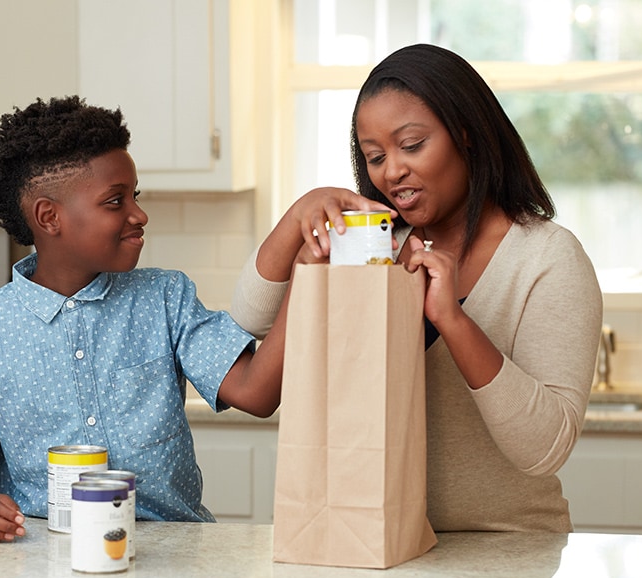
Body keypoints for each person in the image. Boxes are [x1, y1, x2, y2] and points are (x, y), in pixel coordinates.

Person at [232, 44, 603, 533]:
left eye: (411, 146)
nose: (391, 172)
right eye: (375, 157)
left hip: (503, 552)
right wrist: (298, 215)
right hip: (373, 541)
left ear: (466, 134)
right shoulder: (374, 244)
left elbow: (543, 449)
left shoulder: (546, 258)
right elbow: (249, 320)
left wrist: (453, 320)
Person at [0, 96, 290, 543]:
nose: (139, 214)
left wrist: (307, 274)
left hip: (175, 559)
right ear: (49, 217)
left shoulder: (165, 298)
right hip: (40, 562)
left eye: (136, 195)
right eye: (116, 201)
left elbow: (257, 392)